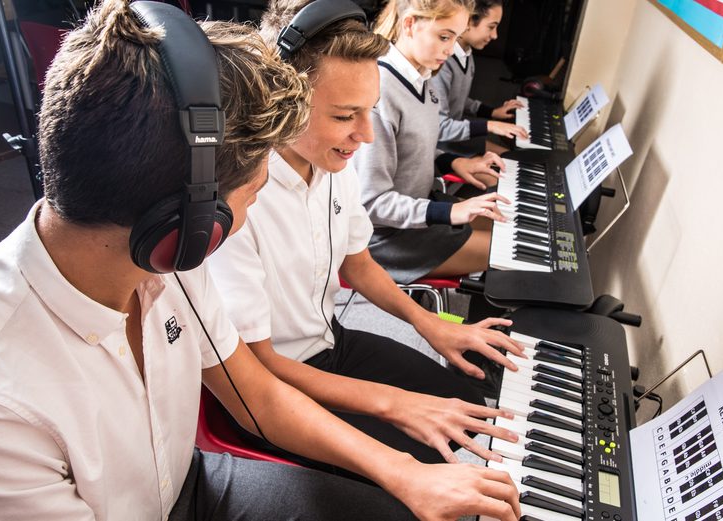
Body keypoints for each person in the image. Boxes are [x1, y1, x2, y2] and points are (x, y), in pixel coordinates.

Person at [0, 2, 521, 520]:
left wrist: (401, 471)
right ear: (185, 221)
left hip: (187, 484)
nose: (262, 187)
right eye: (252, 189)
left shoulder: (172, 265)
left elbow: (255, 393)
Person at [208, 0, 524, 469]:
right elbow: (261, 369)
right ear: (282, 101)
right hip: (279, 383)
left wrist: (432, 327)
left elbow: (358, 263)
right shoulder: (239, 201)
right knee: (430, 458)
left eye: (369, 112)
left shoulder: (333, 165)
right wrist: (394, 403)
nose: (367, 136)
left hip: (331, 342)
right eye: (344, 116)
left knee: (468, 407)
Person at [353, 0, 510, 284]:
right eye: (444, 37)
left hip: (420, 212)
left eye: (455, 38)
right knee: (511, 252)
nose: (450, 50)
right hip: (386, 239)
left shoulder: (421, 77)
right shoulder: (381, 92)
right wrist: (449, 212)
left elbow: (412, 144)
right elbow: (371, 202)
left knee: (509, 224)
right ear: (410, 24)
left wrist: (454, 161)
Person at [431, 0, 527, 154]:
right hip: (438, 149)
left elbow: (456, 98)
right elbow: (439, 127)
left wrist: (492, 112)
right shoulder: (442, 63)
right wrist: (490, 125)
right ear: (468, 21)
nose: (495, 35)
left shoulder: (466, 54)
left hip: (456, 137)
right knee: (506, 167)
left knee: (512, 155)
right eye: (491, 27)